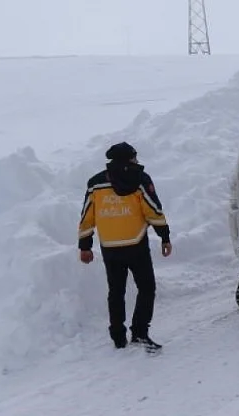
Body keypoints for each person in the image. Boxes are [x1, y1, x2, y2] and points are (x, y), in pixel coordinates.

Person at [78, 141, 172, 351]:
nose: (137, 161)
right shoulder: (140, 179)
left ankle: (118, 337)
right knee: (146, 288)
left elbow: (87, 216)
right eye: (135, 157)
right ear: (130, 158)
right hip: (136, 243)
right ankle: (139, 332)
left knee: (116, 291)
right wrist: (164, 236)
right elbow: (153, 210)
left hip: (109, 246)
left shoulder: (95, 183)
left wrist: (85, 245)